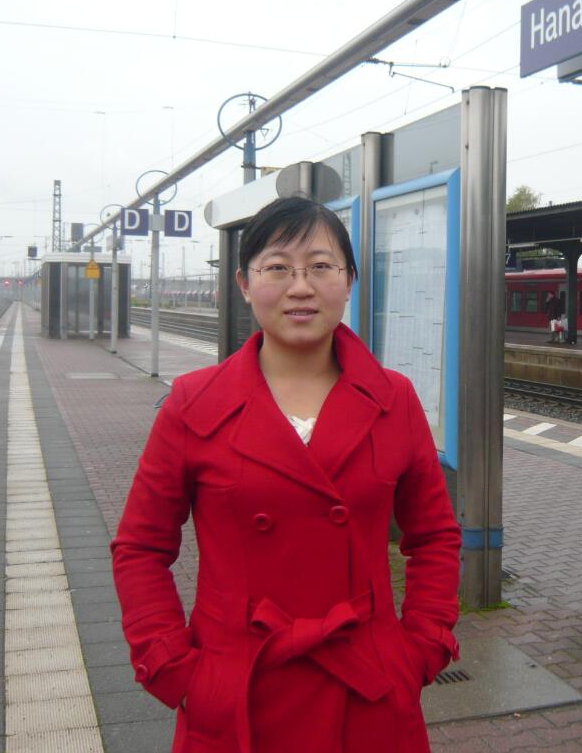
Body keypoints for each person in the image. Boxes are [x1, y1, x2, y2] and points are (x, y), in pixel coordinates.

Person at [111, 196, 461, 753]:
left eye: (321, 266)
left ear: (349, 281)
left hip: (369, 692)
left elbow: (435, 536)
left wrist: (423, 645)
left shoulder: (394, 400)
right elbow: (140, 548)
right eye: (277, 267)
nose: (301, 287)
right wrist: (174, 667)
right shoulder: (193, 403)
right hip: (237, 693)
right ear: (245, 284)